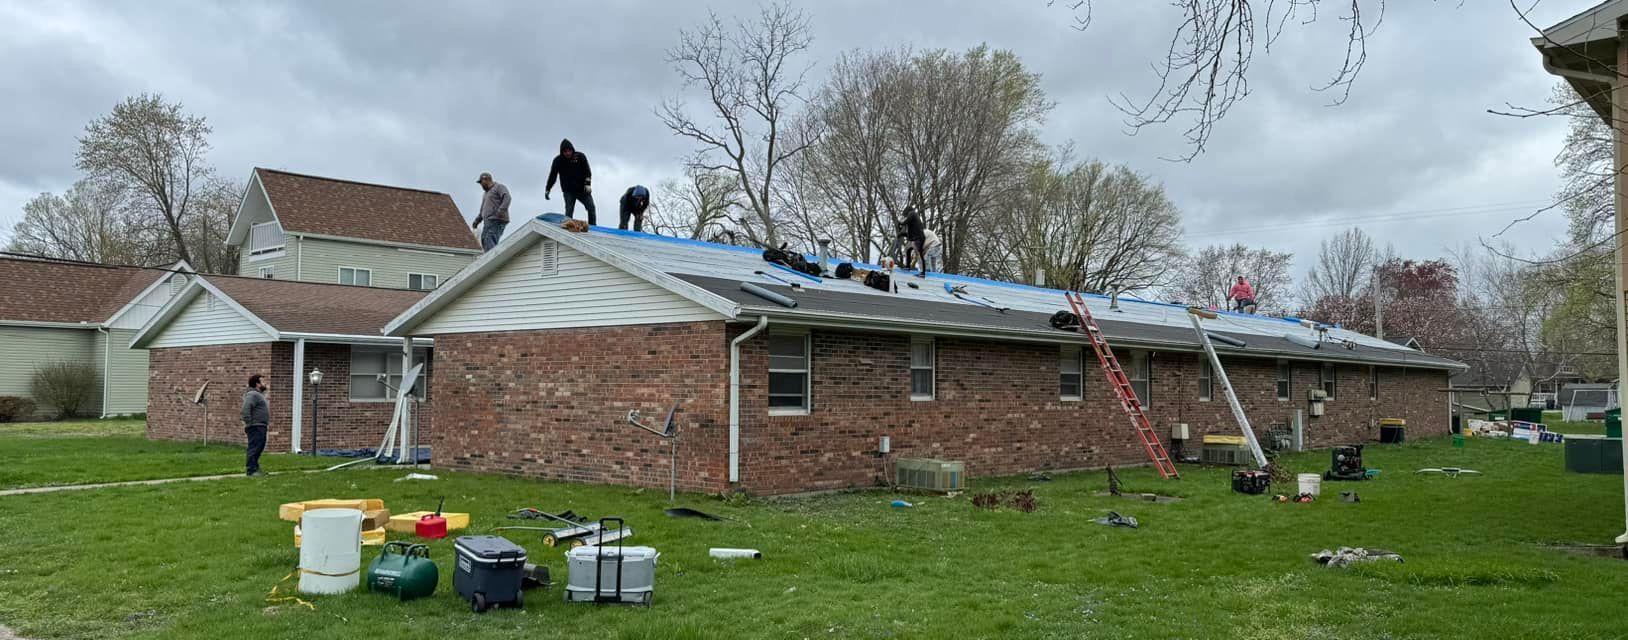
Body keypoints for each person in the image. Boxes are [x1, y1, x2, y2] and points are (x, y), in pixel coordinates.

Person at [545, 139, 595, 225]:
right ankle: (568, 226)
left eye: (569, 151)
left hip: (582, 189)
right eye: (565, 152)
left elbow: (587, 171)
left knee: (591, 207)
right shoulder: (558, 160)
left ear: (572, 150)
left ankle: (593, 226)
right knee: (569, 211)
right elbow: (553, 176)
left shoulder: (580, 156)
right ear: (562, 152)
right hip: (568, 191)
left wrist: (587, 185)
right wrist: (548, 189)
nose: (568, 153)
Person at [472, 172, 511, 252]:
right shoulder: (485, 194)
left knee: (489, 239)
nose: (481, 184)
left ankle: (494, 258)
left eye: (481, 182)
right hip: (488, 222)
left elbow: (507, 197)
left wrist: (501, 210)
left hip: (497, 220)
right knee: (484, 239)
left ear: (487, 179)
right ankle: (490, 257)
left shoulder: (499, 187)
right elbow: (482, 210)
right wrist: (477, 221)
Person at [241, 374, 270, 477]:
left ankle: (255, 468)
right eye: (263, 381)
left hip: (260, 426)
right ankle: (251, 470)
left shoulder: (258, 395)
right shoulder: (252, 394)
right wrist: (249, 423)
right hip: (255, 426)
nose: (265, 383)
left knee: (259, 448)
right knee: (254, 448)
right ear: (257, 384)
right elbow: (245, 409)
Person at [896, 207, 928, 278]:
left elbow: (904, 222)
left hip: (918, 238)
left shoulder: (912, 213)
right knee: (907, 249)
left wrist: (900, 222)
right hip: (913, 239)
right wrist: (901, 233)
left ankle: (922, 272)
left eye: (905, 215)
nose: (905, 217)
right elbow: (909, 234)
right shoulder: (912, 221)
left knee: (919, 254)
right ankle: (908, 266)